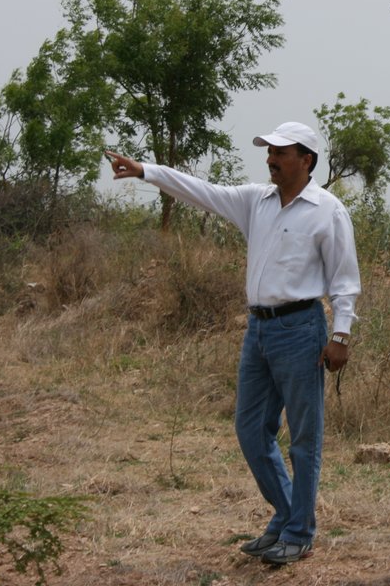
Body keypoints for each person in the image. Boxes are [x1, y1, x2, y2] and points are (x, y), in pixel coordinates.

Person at [105, 121, 360, 567]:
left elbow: (345, 281)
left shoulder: (327, 211)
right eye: (269, 151)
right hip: (259, 330)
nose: (271, 159)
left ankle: (299, 532)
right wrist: (146, 170)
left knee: (304, 438)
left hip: (302, 330)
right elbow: (199, 190)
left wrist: (341, 334)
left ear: (307, 160)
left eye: (281, 152)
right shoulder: (254, 201)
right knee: (250, 430)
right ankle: (285, 515)